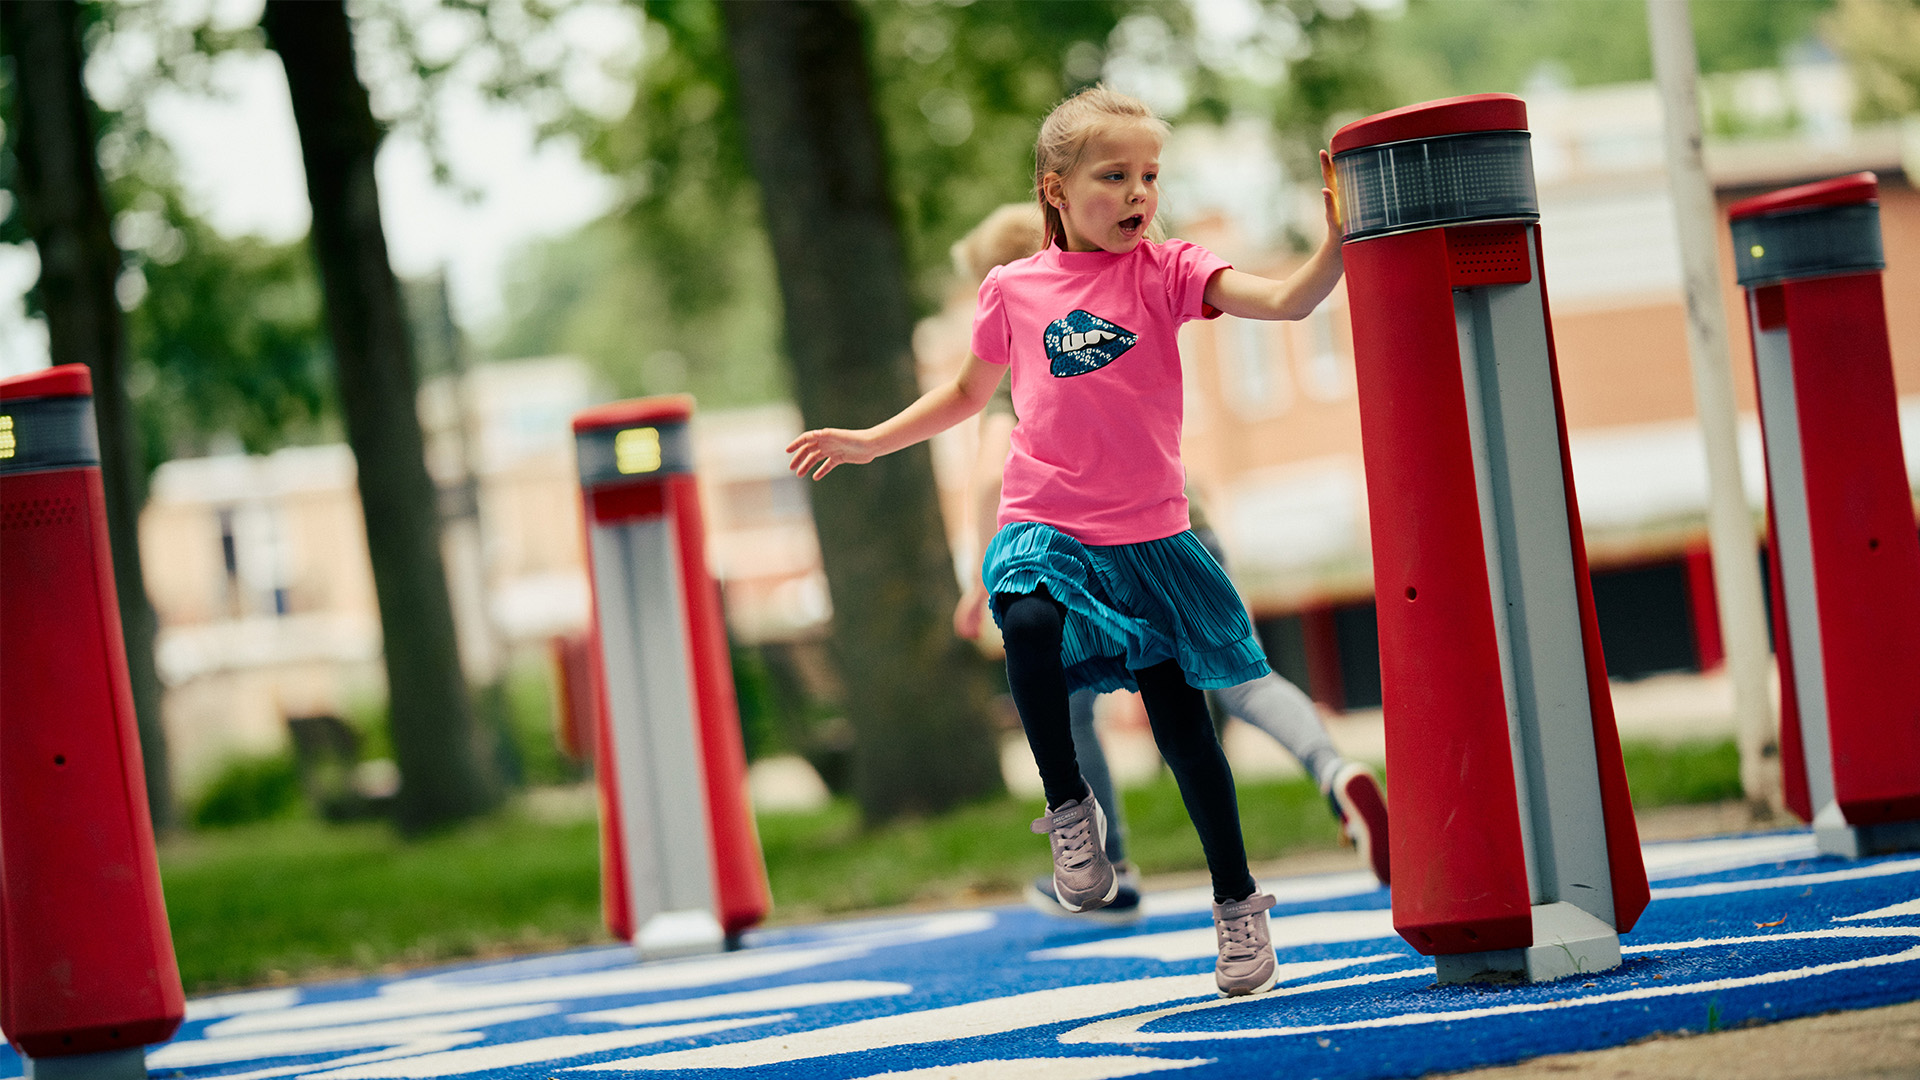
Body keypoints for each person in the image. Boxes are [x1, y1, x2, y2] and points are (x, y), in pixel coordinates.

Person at [788, 85, 1346, 997]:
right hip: (1047, 519)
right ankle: (1069, 809)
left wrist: (1334, 247)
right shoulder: (1014, 288)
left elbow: (1283, 302)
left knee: (1183, 731)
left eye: (1149, 177)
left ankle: (1238, 907)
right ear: (1055, 188)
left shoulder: (1169, 270)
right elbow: (969, 397)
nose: (1137, 194)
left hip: (1153, 540)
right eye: (1113, 176)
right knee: (1030, 621)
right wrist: (866, 440)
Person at [945, 205, 1391, 923]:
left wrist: (978, 576)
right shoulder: (1128, 289)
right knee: (1241, 676)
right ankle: (1333, 772)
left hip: (1088, 552)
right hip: (1186, 531)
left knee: (1064, 692)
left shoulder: (1028, 339)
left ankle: (1108, 861)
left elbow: (992, 470)